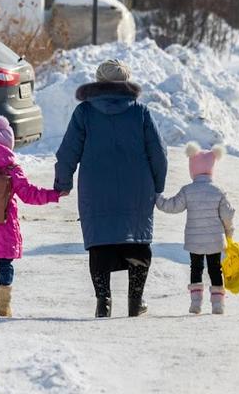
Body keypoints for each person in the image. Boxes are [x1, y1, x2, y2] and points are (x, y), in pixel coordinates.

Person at [54, 59, 168, 318]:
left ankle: (103, 301)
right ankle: (135, 302)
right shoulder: (140, 112)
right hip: (137, 189)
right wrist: (157, 185)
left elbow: (67, 152)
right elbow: (159, 154)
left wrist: (63, 182)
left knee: (100, 243)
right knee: (137, 243)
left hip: (96, 189)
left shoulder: (84, 112)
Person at [0, 115, 65, 317]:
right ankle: (3, 304)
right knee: (6, 264)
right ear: (9, 145)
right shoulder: (12, 170)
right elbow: (29, 194)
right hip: (5, 226)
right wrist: (54, 194)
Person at [155, 143, 235, 315]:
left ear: (193, 169)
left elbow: (173, 206)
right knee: (215, 268)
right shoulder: (218, 191)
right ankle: (218, 305)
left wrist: (157, 198)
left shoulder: (188, 190)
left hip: (195, 240)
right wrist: (229, 231)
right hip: (215, 239)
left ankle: (196, 303)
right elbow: (227, 215)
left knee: (196, 268)